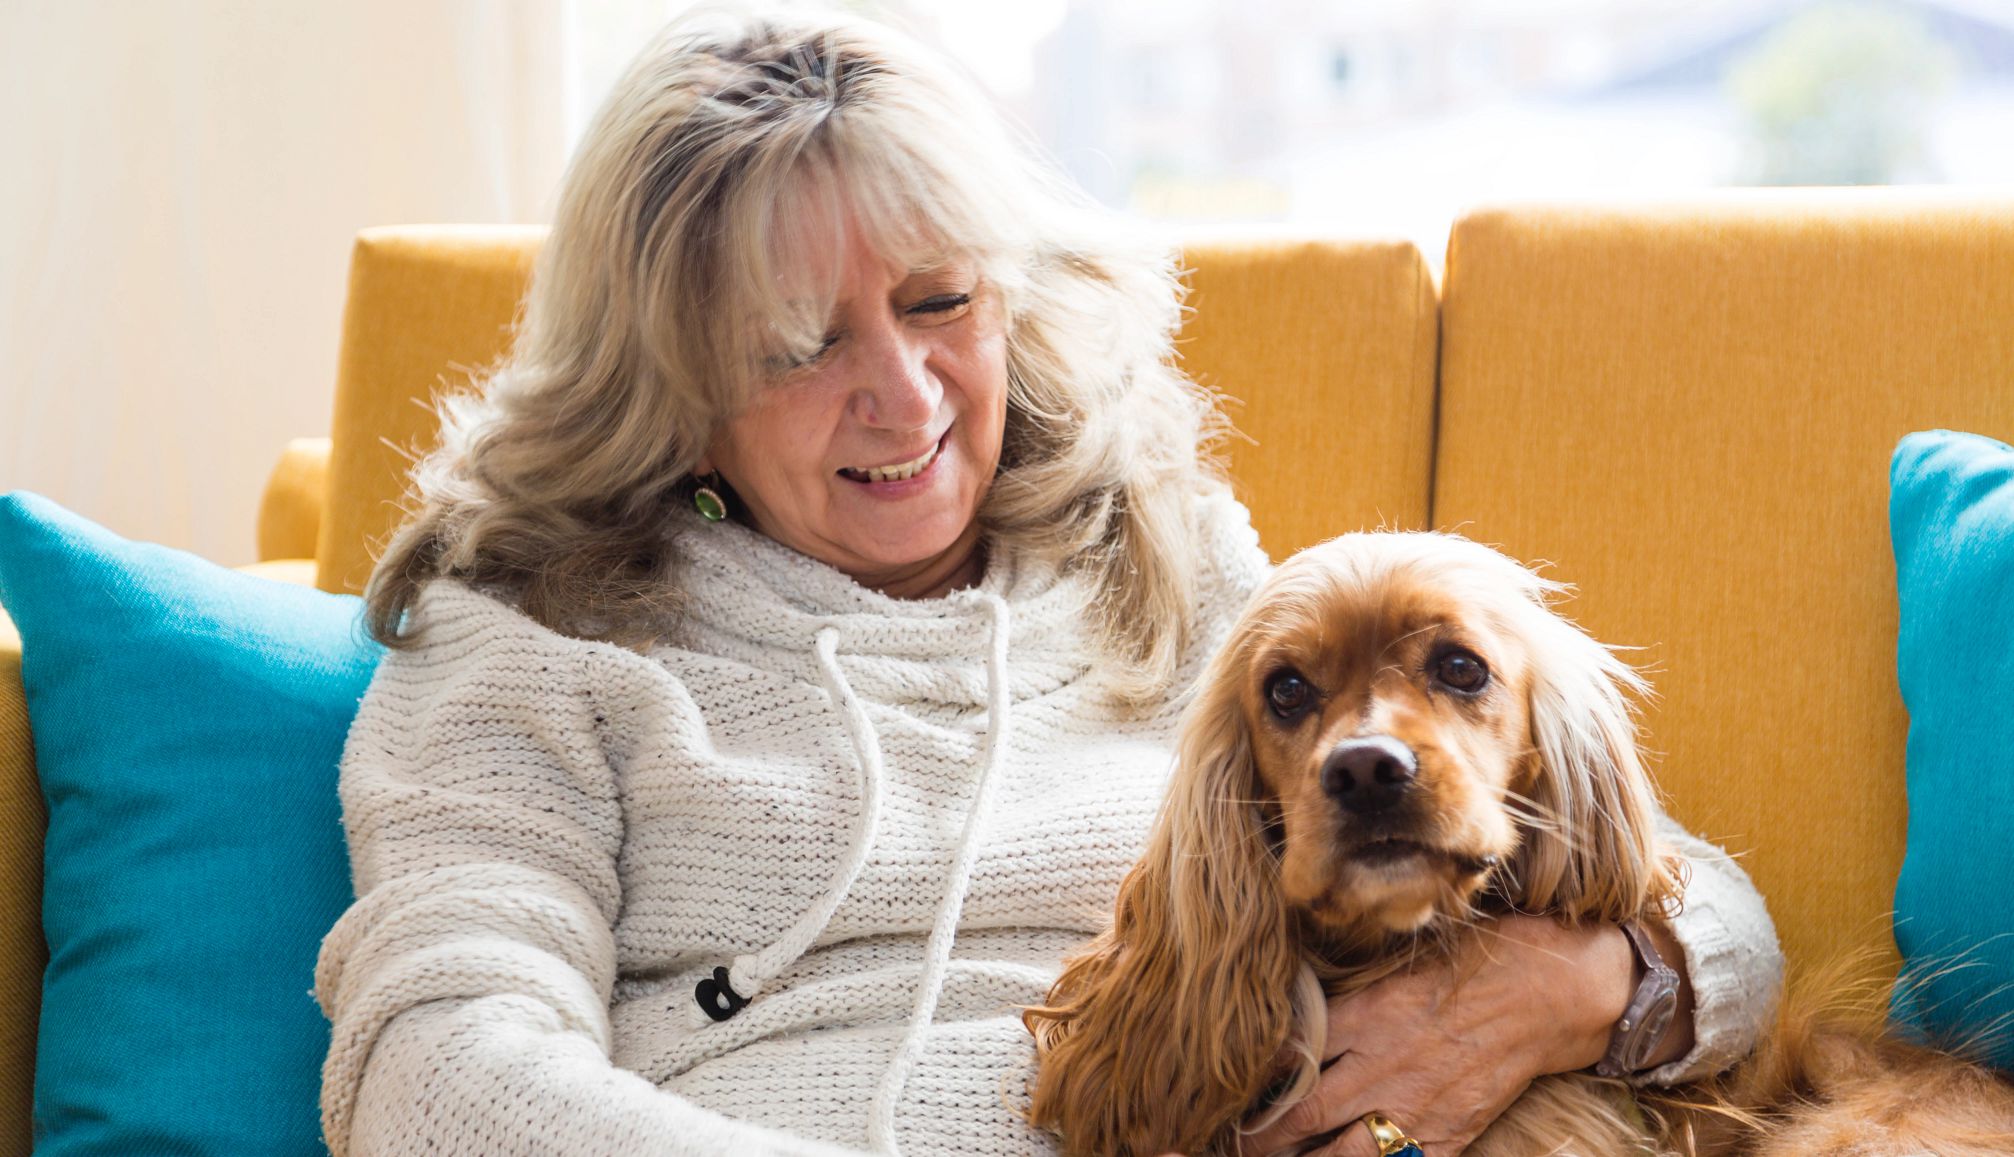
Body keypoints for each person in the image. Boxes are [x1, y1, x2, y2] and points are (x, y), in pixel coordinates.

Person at [309, 7, 1785, 1156]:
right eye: (796, 341)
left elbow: (1692, 892)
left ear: (1012, 292)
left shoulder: (1170, 563)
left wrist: (1580, 987)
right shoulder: (523, 635)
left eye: (939, 301)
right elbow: (437, 1070)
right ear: (668, 381)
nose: (906, 397)